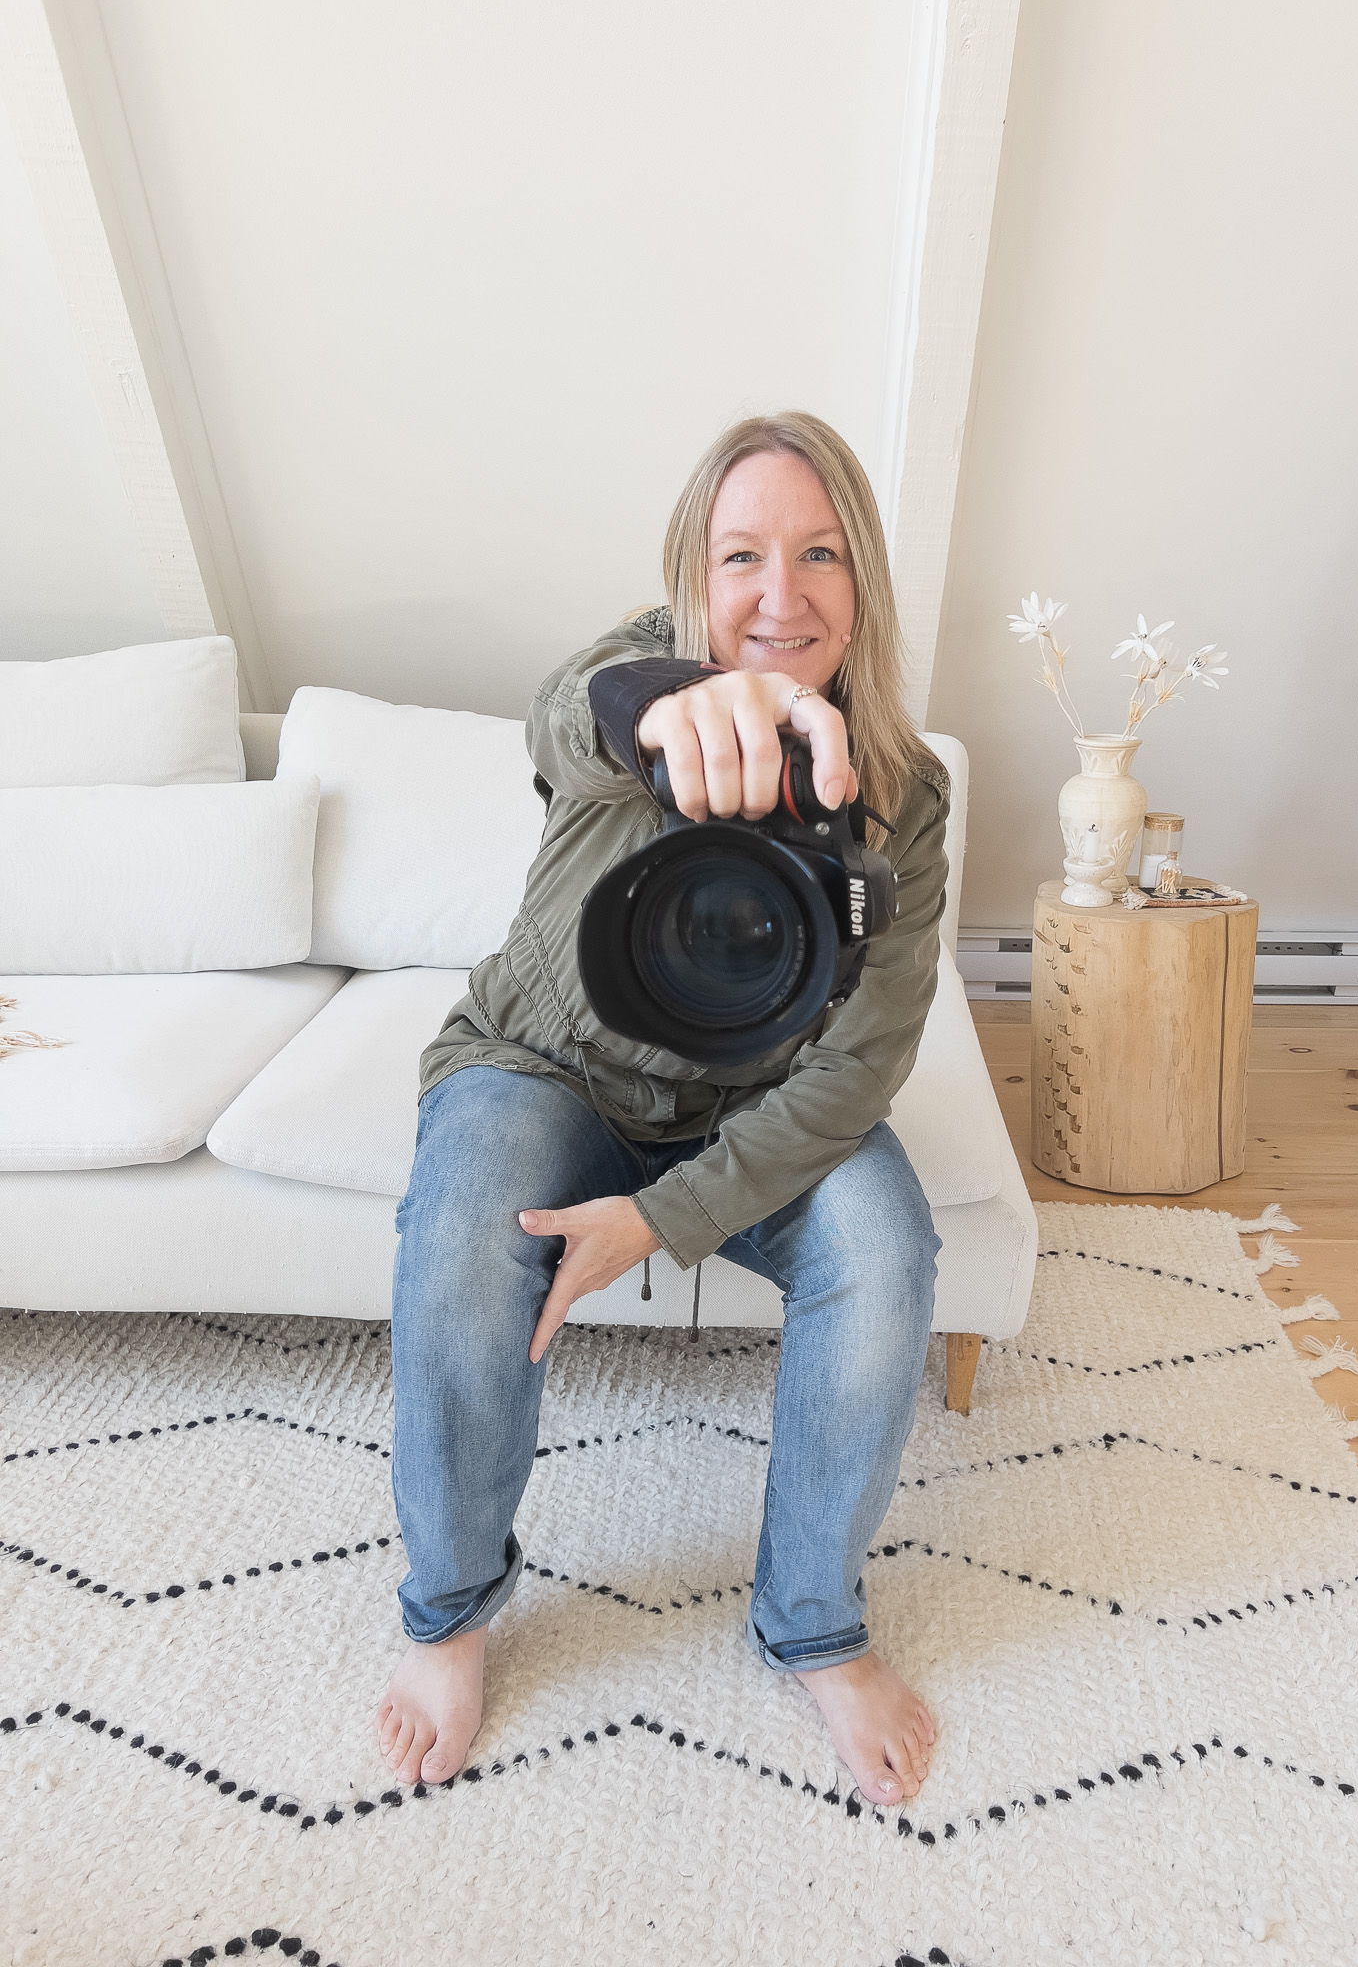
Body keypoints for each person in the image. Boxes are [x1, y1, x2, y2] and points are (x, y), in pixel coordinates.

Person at [375, 412, 950, 1808]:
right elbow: (570, 713)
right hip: (540, 1068)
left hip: (747, 1109)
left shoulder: (905, 795)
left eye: (820, 554)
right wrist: (665, 709)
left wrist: (663, 1218)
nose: (779, 593)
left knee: (887, 1246)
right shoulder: (619, 682)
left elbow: (860, 1065)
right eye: (740, 554)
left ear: (862, 580)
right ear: (693, 576)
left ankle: (812, 1623)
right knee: (462, 1235)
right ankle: (450, 1614)